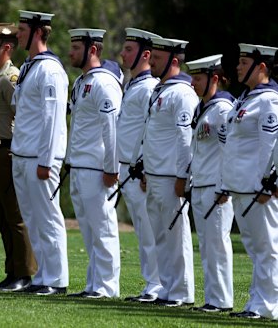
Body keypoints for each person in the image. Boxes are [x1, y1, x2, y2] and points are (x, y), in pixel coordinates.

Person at [131, 36, 197, 307]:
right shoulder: (161, 90)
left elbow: (185, 139)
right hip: (155, 175)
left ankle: (181, 292)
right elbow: (152, 134)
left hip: (171, 177)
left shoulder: (182, 93)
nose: (151, 62)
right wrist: (145, 167)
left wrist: (183, 176)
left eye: (157, 58)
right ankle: (167, 289)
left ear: (173, 61)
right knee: (160, 236)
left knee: (176, 237)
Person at [10, 10, 69, 296]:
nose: (18, 34)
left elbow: (53, 118)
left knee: (47, 218)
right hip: (22, 154)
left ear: (36, 32)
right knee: (33, 219)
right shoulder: (29, 67)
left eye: (22, 29)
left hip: (39, 157)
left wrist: (47, 160)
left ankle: (56, 279)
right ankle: (42, 275)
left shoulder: (50, 70)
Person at [217, 43, 278, 319]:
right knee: (256, 250)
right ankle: (257, 302)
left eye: (244, 62)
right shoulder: (246, 98)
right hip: (242, 186)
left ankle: (267, 305)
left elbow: (271, 145)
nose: (238, 67)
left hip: (258, 188)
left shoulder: (269, 101)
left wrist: (269, 182)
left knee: (267, 248)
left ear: (261, 67)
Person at [0, 23, 37, 292]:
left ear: (7, 48)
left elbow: (24, 116)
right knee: (2, 217)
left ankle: (24, 274)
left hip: (7, 152)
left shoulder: (12, 78)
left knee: (15, 216)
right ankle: (12, 271)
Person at [64, 28, 122, 299]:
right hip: (79, 165)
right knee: (88, 230)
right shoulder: (80, 82)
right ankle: (94, 283)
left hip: (98, 168)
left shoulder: (104, 83)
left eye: (76, 48)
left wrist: (112, 168)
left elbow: (111, 127)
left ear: (93, 50)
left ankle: (107, 286)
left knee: (103, 229)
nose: (71, 52)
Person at [186, 54, 235, 313]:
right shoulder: (203, 108)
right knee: (206, 245)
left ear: (214, 79)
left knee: (217, 243)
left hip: (216, 187)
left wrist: (225, 185)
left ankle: (222, 299)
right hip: (202, 184)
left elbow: (230, 150)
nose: (192, 83)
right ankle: (212, 298)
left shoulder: (223, 110)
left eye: (197, 78)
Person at [117, 28, 163, 302]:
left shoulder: (148, 87)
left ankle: (156, 285)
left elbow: (151, 129)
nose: (123, 53)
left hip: (138, 170)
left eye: (129, 50)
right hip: (127, 168)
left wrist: (145, 166)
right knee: (142, 231)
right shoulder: (131, 84)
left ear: (145, 55)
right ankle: (153, 283)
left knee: (149, 231)